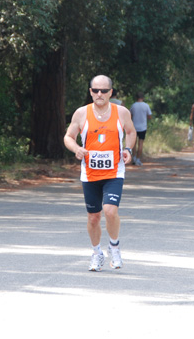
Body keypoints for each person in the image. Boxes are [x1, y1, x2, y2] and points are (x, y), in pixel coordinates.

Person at [64, 75, 137, 271]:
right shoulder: (81, 114)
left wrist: (128, 150)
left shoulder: (121, 112)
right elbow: (69, 137)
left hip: (114, 171)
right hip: (90, 174)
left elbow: (131, 132)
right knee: (93, 217)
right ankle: (97, 253)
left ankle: (114, 247)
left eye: (104, 91)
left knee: (110, 211)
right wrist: (76, 149)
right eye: (95, 90)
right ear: (90, 92)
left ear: (111, 93)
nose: (99, 94)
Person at [129, 92, 152, 166]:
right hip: (143, 127)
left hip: (134, 127)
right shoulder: (146, 106)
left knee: (134, 144)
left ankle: (134, 158)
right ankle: (138, 159)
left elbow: (130, 116)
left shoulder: (133, 106)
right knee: (140, 143)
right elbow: (149, 116)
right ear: (143, 98)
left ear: (136, 97)